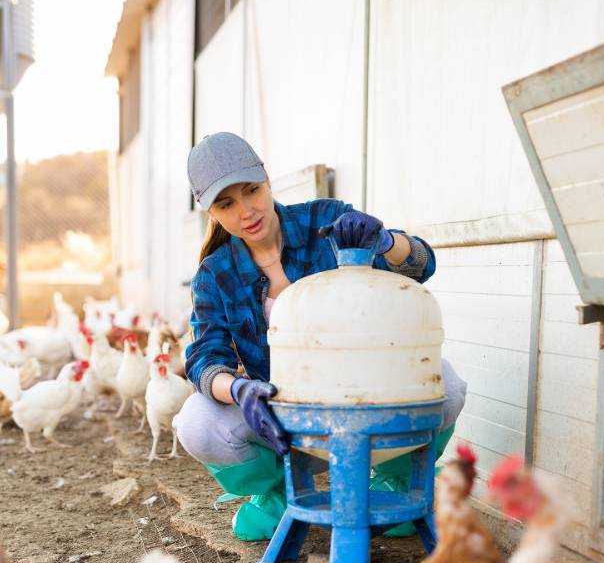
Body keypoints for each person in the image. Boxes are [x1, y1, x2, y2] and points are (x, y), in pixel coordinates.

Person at [174, 132, 467, 541]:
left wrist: (386, 241)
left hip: (366, 392)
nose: (246, 211)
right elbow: (206, 357)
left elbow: (419, 267)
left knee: (447, 385)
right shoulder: (215, 273)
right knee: (198, 422)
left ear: (266, 178)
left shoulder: (325, 221)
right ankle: (278, 493)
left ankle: (396, 481)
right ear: (212, 214)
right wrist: (239, 389)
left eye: (251, 191)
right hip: (279, 409)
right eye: (227, 204)